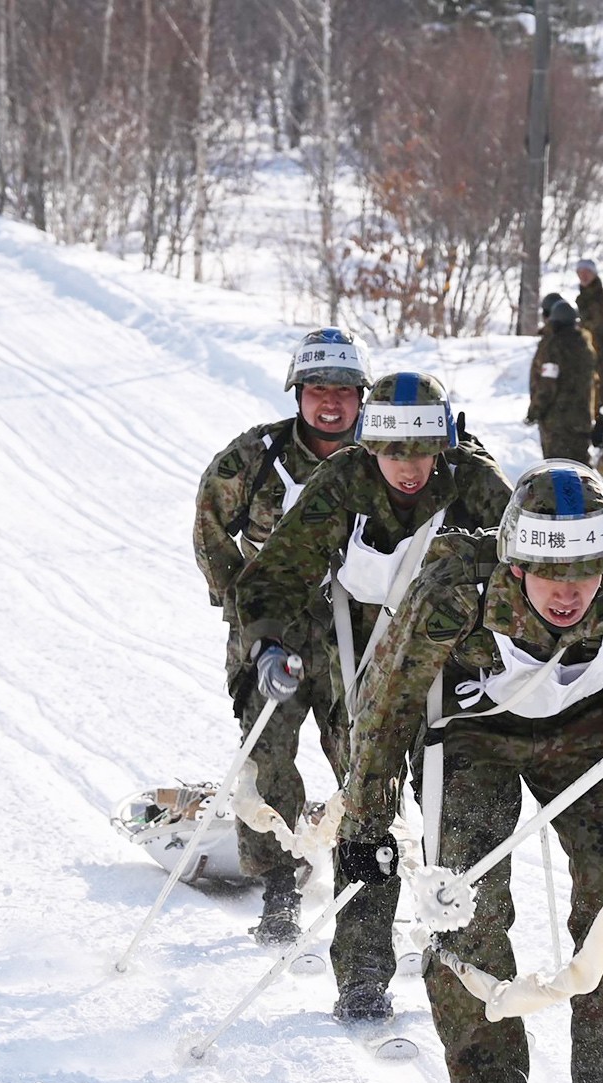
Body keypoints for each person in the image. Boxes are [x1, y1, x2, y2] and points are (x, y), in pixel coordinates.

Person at [337, 461, 603, 1083]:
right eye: (549, 576)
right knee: (466, 903)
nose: (568, 594)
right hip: (471, 736)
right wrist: (365, 823)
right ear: (513, 566)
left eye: (583, 575)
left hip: (592, 735)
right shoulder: (452, 591)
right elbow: (383, 707)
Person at [232, 371, 511, 1021]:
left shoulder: (476, 484)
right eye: (392, 453)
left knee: (461, 819)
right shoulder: (345, 482)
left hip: (457, 668)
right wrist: (269, 643)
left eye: (421, 453)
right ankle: (362, 971)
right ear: (369, 444)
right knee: (368, 812)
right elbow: (276, 572)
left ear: (443, 443)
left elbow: (526, 567)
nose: (407, 469)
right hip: (367, 674)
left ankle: (466, 962)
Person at [190, 328, 366, 948]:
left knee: (366, 756)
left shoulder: (386, 456)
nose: (330, 403)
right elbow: (212, 525)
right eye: (318, 389)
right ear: (298, 393)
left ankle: (368, 883)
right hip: (275, 629)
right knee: (268, 751)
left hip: (359, 630)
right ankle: (279, 885)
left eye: (343, 391)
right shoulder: (255, 458)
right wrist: (240, 606)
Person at [527, 295, 596, 463]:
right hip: (581, 421)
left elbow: (547, 384)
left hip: (558, 424)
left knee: (557, 471)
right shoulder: (585, 345)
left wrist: (534, 411)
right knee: (580, 469)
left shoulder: (553, 345)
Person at [573, 258, 603, 354]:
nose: (583, 275)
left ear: (594, 274)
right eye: (580, 272)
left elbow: (602, 325)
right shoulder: (580, 300)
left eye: (587, 272)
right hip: (585, 351)